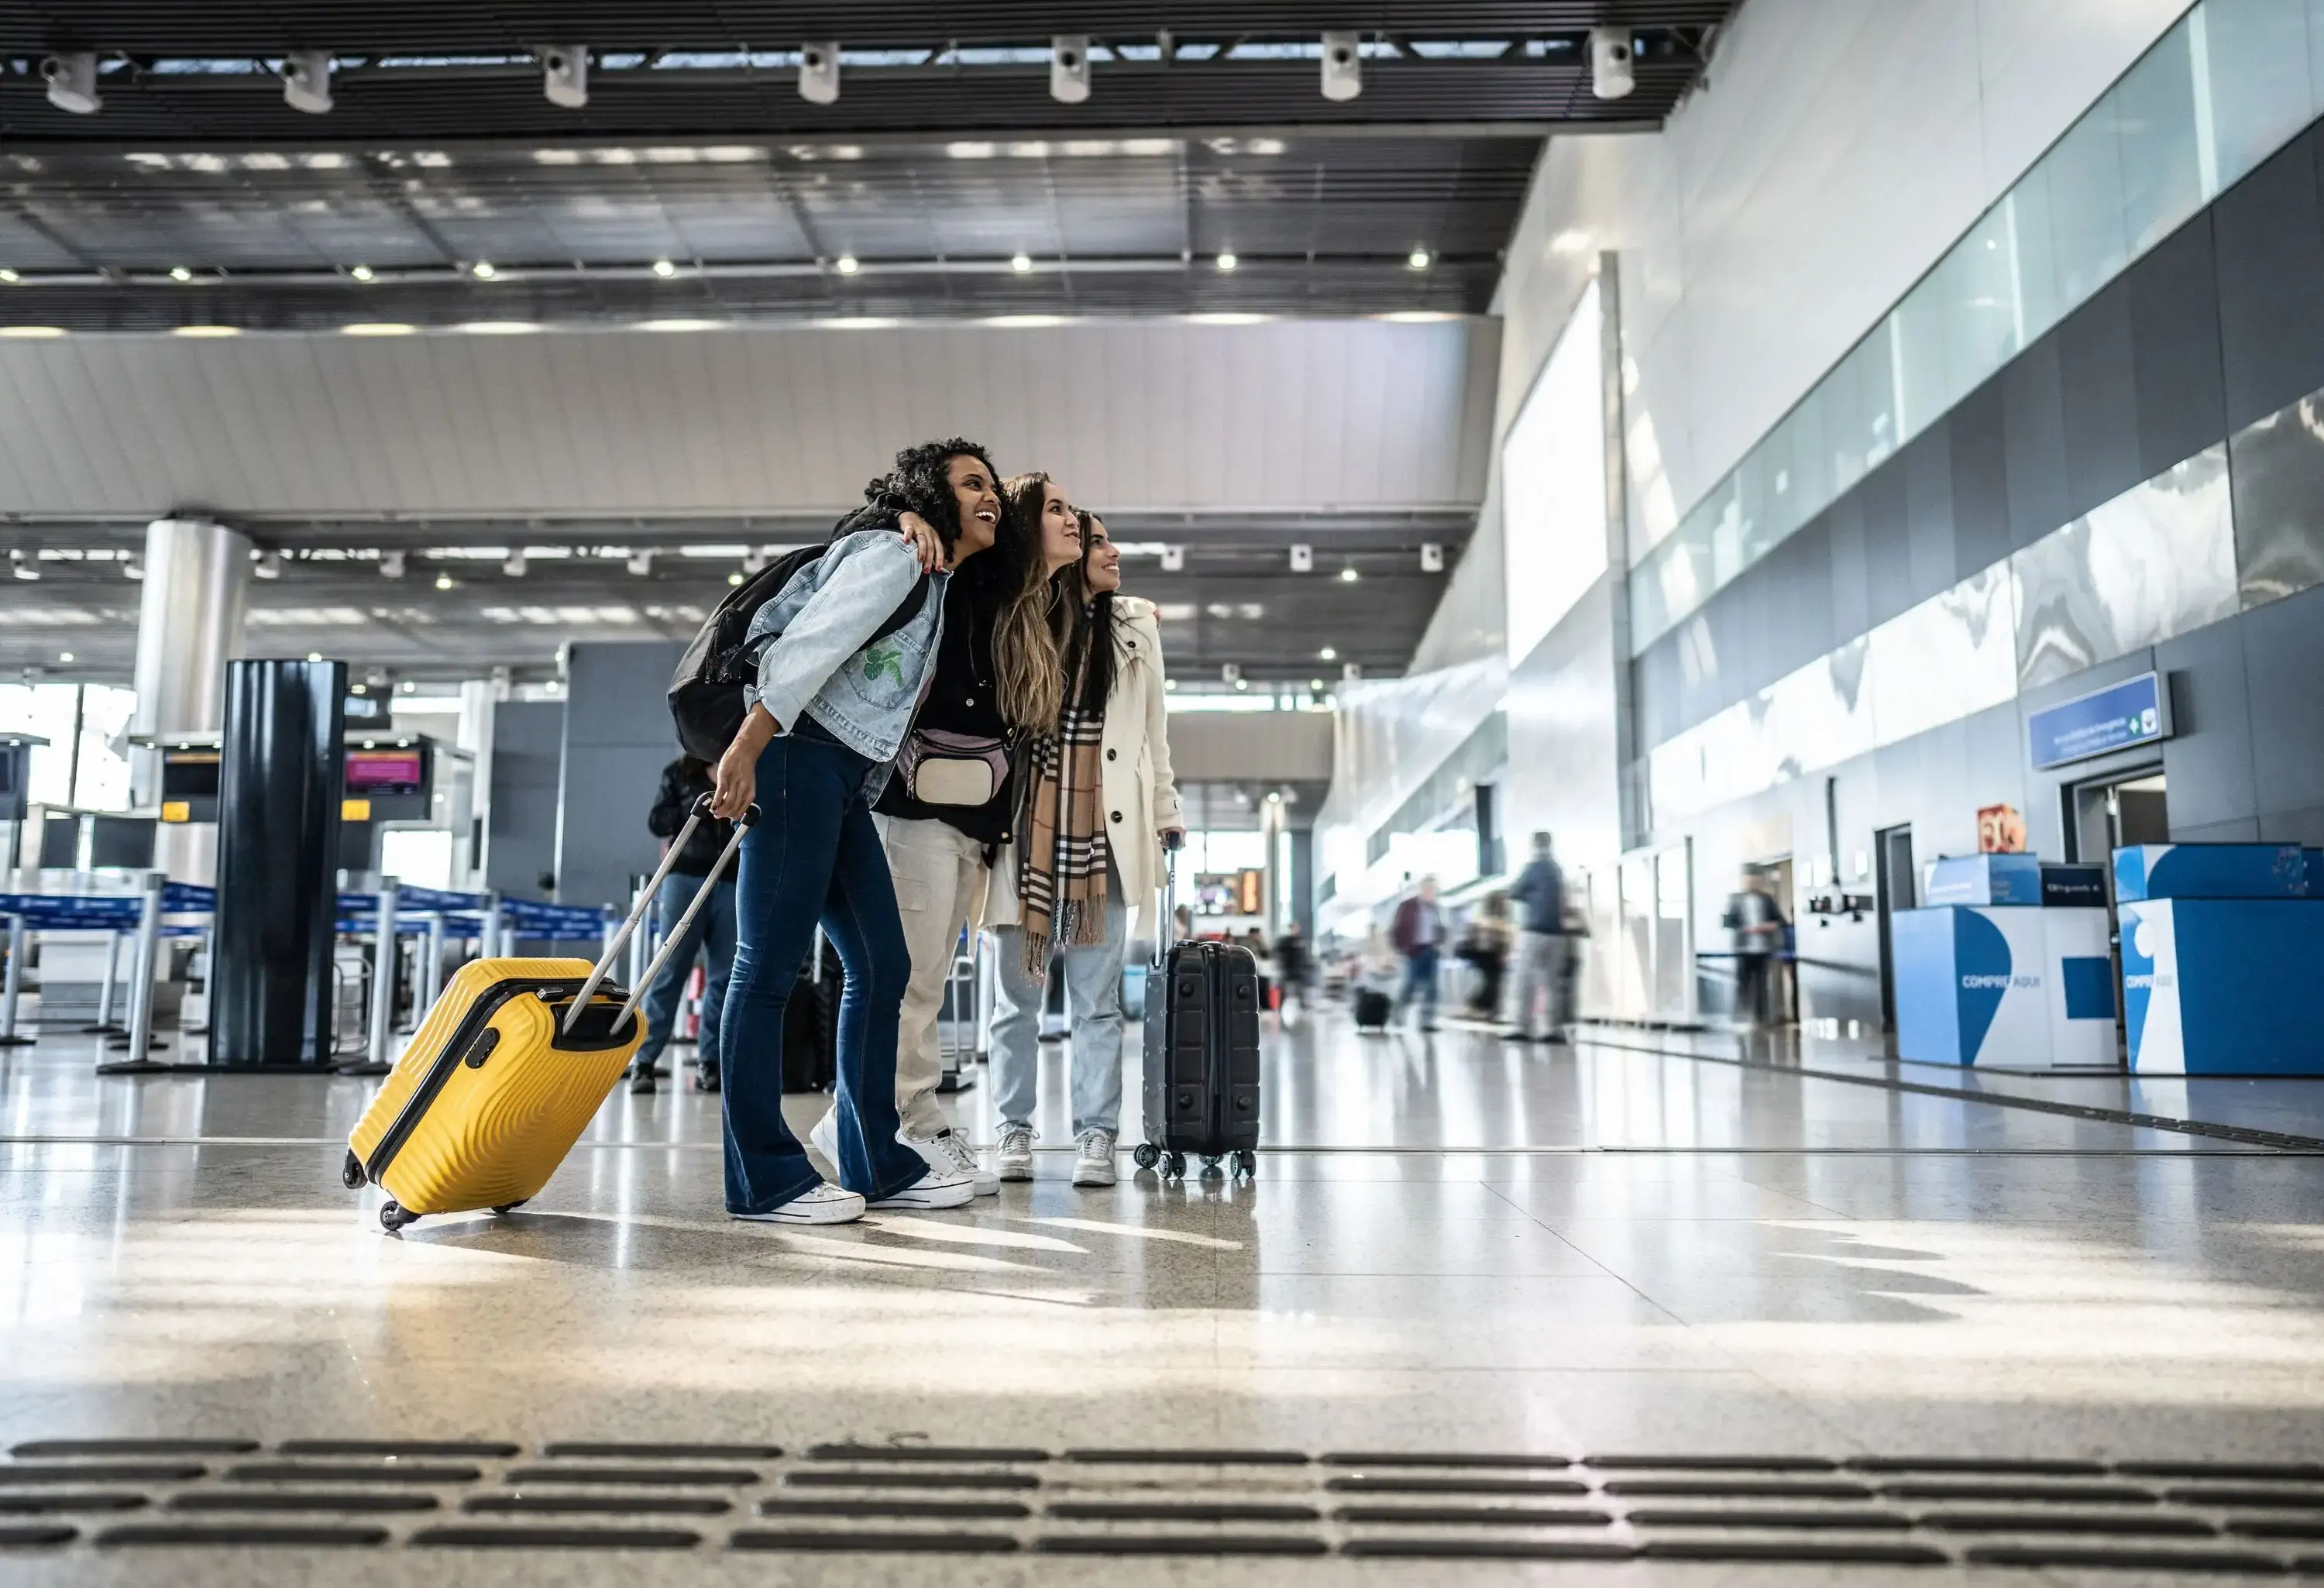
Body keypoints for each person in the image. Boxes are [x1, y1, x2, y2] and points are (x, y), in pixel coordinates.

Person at [706, 439, 1002, 1225]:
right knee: (765, 966)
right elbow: (809, 647)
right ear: (932, 496)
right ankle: (761, 1177)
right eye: (971, 483)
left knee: (881, 959)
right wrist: (748, 747)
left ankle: (876, 1155)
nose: (990, 496)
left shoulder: (931, 575)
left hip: (837, 776)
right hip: (795, 755)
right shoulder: (894, 555)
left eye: (994, 486)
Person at [812, 455, 1047, 1198]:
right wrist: (892, 517)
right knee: (907, 977)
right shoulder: (923, 559)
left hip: (974, 810)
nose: (989, 499)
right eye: (971, 484)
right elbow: (849, 542)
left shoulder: (1002, 587)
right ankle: (906, 1121)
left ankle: (875, 1119)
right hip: (911, 805)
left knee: (930, 976)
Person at [986, 504, 1183, 1188]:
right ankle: (1012, 1129)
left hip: (1109, 834)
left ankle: (1097, 1136)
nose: (1111, 550)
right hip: (1026, 832)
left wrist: (1167, 810)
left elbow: (1154, 734)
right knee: (1016, 1003)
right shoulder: (1020, 618)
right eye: (1097, 541)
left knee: (1098, 1004)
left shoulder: (1134, 628)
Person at [627, 754, 737, 1095]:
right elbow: (658, 822)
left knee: (724, 975)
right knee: (670, 969)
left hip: (732, 876)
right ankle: (644, 1060)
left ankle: (710, 1063)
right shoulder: (679, 772)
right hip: (685, 874)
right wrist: (696, 804)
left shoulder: (746, 764)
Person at [1506, 831, 1572, 1043]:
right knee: (1552, 982)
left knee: (1524, 979)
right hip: (1557, 933)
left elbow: (1514, 892)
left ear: (1534, 845)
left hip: (1534, 931)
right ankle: (1553, 1030)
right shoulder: (1557, 870)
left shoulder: (1534, 867)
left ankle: (1523, 1027)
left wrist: (1529, 896)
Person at [1726, 866, 1788, 1029]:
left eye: (1756, 880)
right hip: (1743, 948)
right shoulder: (1735, 899)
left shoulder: (1768, 899)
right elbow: (1728, 922)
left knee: (1762, 984)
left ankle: (1761, 1018)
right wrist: (1746, 929)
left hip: (1763, 948)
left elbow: (1780, 920)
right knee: (1743, 983)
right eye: (1750, 880)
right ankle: (1742, 1017)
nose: (1753, 883)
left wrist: (1769, 927)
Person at [1388, 875, 1446, 1033]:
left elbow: (1441, 929)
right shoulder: (1408, 906)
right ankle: (1398, 1014)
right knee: (1410, 984)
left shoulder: (1436, 908)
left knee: (1432, 987)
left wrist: (1439, 942)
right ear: (1422, 889)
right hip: (1414, 950)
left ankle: (1427, 1020)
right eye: (1429, 888)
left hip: (1431, 950)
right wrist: (1401, 949)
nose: (1431, 892)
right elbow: (1396, 929)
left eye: (1434, 889)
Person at [1459, 892, 1514, 1022]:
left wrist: (1506, 952)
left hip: (1493, 954)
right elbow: (1480, 932)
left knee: (1494, 981)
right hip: (1483, 953)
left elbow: (1506, 938)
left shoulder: (1497, 918)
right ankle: (1481, 1006)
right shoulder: (1483, 917)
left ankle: (1486, 1007)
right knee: (1493, 980)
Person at [1274, 919, 1312, 1013]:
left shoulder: (1300, 940)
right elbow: (1278, 951)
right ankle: (1279, 1005)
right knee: (1283, 988)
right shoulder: (1284, 941)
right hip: (1288, 968)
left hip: (1298, 969)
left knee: (1301, 988)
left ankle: (1302, 1004)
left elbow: (1303, 955)